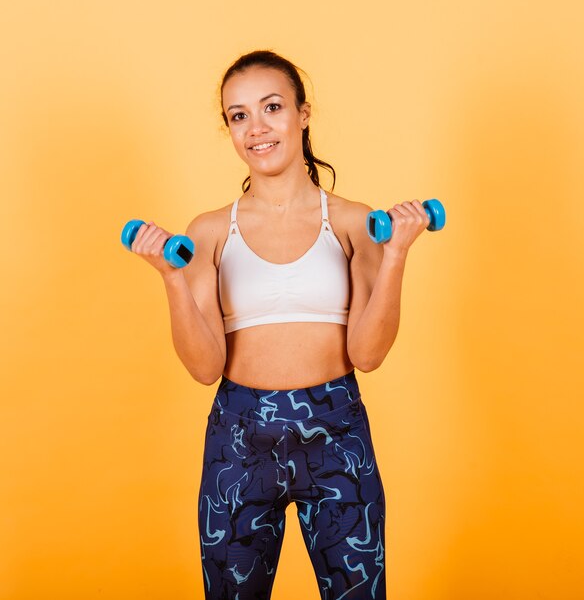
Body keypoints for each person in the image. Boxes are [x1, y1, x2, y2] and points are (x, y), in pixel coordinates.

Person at [130, 50, 431, 599]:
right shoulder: (209, 232)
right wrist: (170, 278)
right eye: (239, 115)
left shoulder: (352, 222)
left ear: (303, 113)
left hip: (336, 432)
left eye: (272, 107)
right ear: (229, 128)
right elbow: (204, 367)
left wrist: (397, 254)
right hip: (240, 438)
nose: (257, 128)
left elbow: (367, 353)